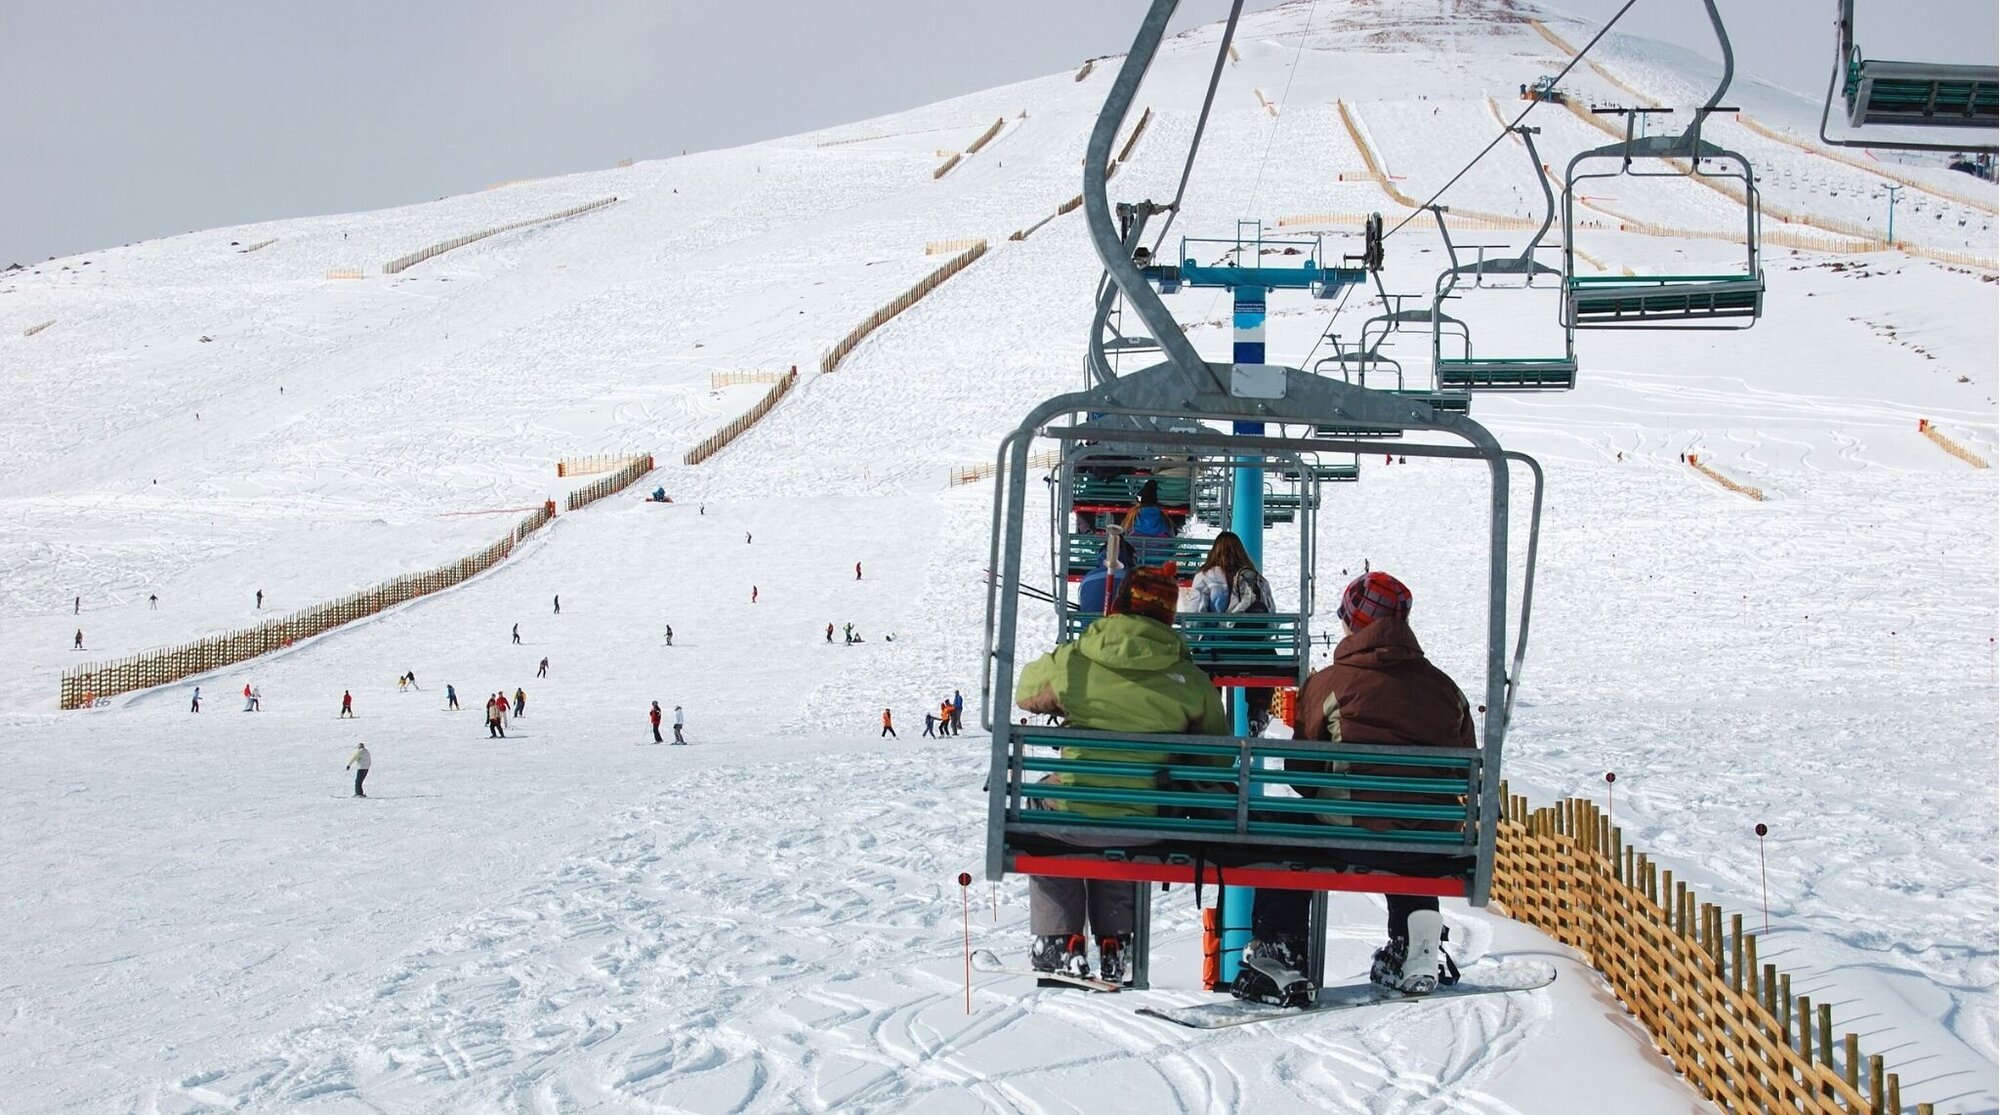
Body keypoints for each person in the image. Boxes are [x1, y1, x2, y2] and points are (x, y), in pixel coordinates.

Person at [1232, 571, 1475, 1008]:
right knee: (1407, 826)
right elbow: (1463, 770)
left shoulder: (1330, 684)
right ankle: (1416, 944)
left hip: (1349, 835)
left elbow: (1302, 776)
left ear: (1352, 622)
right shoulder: (1445, 690)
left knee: (1283, 829)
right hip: (1429, 842)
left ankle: (1280, 952)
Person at [1014, 566, 1228, 982]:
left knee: (1043, 814)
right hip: (1145, 824)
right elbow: (1216, 759)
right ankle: (1115, 940)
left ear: (1117, 605)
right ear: (1169, 617)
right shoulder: (1189, 679)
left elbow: (1026, 692)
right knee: (1126, 818)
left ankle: (1059, 940)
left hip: (1071, 814)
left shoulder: (1075, 660)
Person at [1188, 531, 1276, 731]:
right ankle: (1258, 711)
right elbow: (1271, 620)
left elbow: (1195, 619)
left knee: (1202, 664)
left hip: (1216, 654)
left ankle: (1210, 716)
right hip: (1253, 654)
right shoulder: (1257, 580)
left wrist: (1194, 640)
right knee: (1268, 657)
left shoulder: (1205, 577)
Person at [1076, 537, 1137, 617]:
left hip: (1091, 623)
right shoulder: (1134, 578)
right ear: (1131, 559)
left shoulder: (1088, 577)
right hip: (1127, 623)